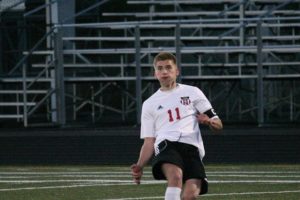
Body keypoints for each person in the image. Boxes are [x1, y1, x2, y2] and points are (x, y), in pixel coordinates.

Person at [131, 52, 223, 200]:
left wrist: (209, 121)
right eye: (160, 68)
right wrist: (140, 165)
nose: (164, 72)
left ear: (177, 71)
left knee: (190, 195)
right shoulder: (149, 104)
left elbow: (218, 124)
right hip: (167, 143)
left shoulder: (193, 92)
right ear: (155, 73)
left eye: (168, 67)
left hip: (192, 147)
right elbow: (149, 141)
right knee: (175, 176)